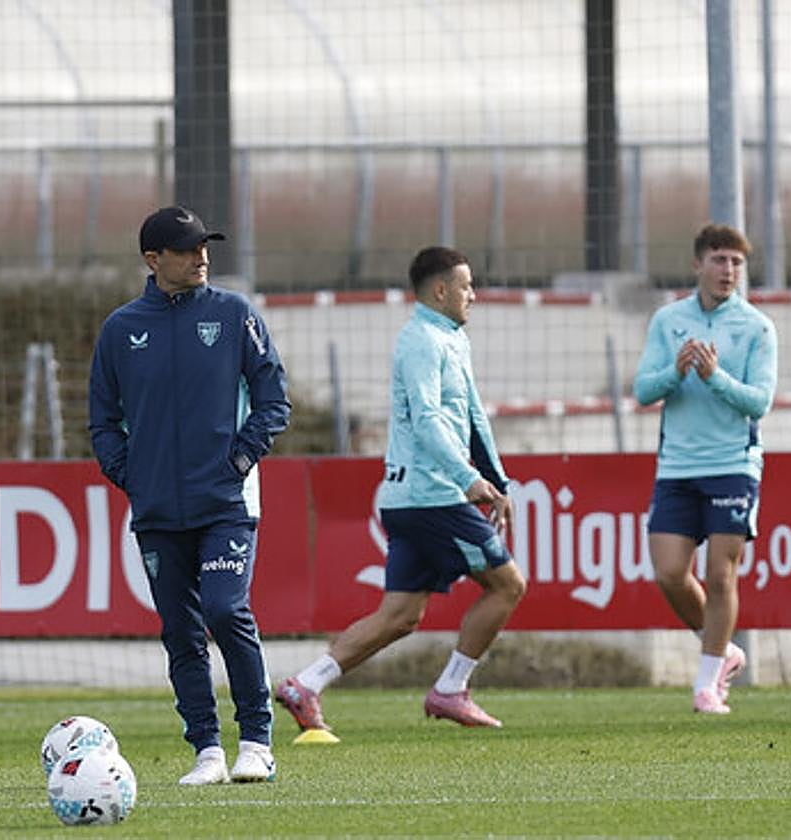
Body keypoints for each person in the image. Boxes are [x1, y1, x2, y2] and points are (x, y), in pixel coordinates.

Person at [276, 246, 524, 734]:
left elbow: (473, 417)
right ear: (440, 290)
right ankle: (451, 689)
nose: (473, 294)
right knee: (507, 584)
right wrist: (470, 480)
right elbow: (429, 422)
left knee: (400, 615)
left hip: (415, 500)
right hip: (432, 498)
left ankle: (305, 685)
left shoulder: (452, 340)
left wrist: (497, 480)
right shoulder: (420, 343)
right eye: (467, 285)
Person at [89, 205, 292, 784]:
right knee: (179, 631)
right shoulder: (121, 329)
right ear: (153, 260)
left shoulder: (233, 315)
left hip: (227, 501)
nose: (201, 256)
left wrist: (243, 455)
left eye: (205, 244)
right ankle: (206, 751)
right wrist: (128, 472)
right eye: (186, 248)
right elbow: (103, 419)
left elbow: (274, 397)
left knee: (227, 610)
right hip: (156, 508)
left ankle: (256, 741)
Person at [633, 223, 777, 715]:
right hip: (677, 465)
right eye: (718, 260)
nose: (728, 270)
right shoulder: (668, 320)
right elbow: (643, 390)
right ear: (698, 265)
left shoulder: (756, 327)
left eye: (736, 262)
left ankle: (707, 683)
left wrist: (715, 377)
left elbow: (760, 402)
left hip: (733, 465)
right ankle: (723, 650)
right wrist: (676, 371)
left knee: (721, 575)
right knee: (670, 573)